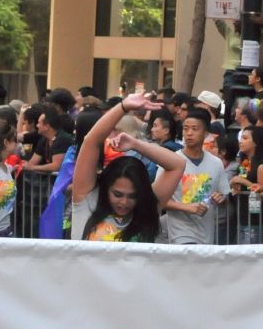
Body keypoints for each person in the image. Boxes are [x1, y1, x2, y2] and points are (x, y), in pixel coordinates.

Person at [70, 94, 186, 242]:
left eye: (133, 196)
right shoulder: (87, 200)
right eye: (118, 194)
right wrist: (123, 107)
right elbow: (91, 142)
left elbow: (178, 164)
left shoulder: (147, 209)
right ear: (106, 188)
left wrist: (135, 144)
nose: (124, 202)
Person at [161, 110, 230, 244]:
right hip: (181, 234)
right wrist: (186, 207)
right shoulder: (171, 161)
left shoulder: (216, 163)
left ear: (205, 134)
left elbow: (224, 197)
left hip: (206, 235)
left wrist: (221, 200)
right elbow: (159, 200)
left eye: (194, 129)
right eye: (185, 129)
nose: (189, 133)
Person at [230, 125, 263, 243]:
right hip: (243, 219)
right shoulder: (245, 163)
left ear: (256, 142)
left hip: (258, 222)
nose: (241, 141)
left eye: (245, 138)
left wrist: (245, 182)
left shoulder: (262, 166)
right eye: (241, 138)